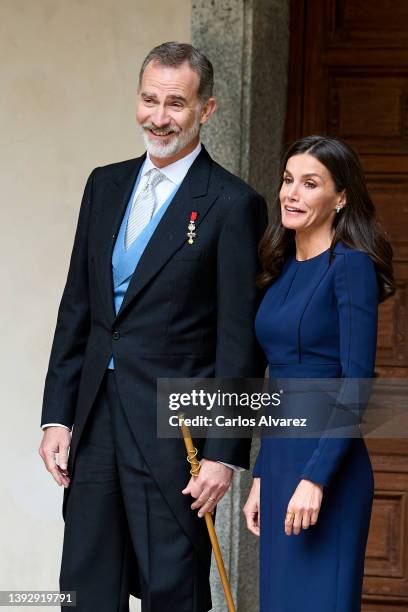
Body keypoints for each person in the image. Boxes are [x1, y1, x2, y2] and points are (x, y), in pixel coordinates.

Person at [39, 42, 267, 612]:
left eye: (176, 104)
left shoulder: (232, 204)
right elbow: (79, 309)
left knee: (172, 587)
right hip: (94, 422)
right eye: (149, 100)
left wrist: (223, 452)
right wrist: (56, 415)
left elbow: (239, 339)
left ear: (206, 110)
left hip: (177, 433)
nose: (159, 117)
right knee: (86, 586)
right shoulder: (104, 184)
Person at [243, 135, 395, 611]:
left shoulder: (350, 268)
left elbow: (356, 384)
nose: (292, 193)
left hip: (329, 469)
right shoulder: (281, 268)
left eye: (310, 184)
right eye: (288, 180)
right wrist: (264, 475)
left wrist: (316, 479)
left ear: (341, 197)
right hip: (283, 462)